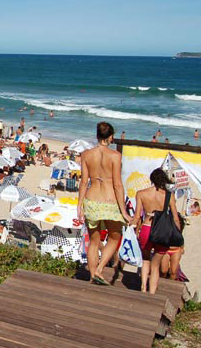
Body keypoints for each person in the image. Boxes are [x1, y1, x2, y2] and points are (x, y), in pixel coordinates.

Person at [78, 121, 131, 286]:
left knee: (94, 241)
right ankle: (100, 269)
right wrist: (123, 210)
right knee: (115, 237)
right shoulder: (115, 156)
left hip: (91, 199)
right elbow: (117, 184)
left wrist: (79, 205)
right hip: (109, 201)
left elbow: (84, 181)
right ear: (111, 137)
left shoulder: (86, 154)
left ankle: (93, 276)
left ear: (97, 135)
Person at [133, 168, 181, 294]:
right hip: (162, 231)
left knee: (145, 259)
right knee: (156, 265)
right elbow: (175, 217)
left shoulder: (141, 194)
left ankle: (143, 287)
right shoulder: (168, 195)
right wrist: (177, 234)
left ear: (152, 179)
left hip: (147, 228)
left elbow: (137, 216)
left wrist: (135, 229)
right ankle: (152, 291)